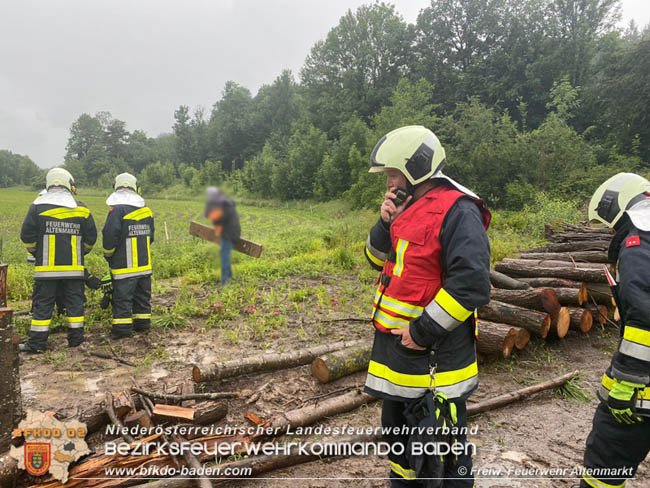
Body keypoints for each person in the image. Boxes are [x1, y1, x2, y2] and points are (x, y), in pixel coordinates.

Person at [363, 126, 491, 487]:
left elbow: (472, 285)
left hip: (436, 365)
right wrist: (385, 222)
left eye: (393, 172)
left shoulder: (459, 210)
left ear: (416, 166)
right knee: (403, 453)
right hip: (399, 362)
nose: (388, 181)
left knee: (441, 460)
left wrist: (423, 331)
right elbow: (377, 261)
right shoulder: (409, 206)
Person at [573, 173, 650, 488]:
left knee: (603, 471)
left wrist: (626, 383)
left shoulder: (639, 242)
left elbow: (644, 318)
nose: (610, 230)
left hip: (641, 393)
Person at [19, 168, 97, 352]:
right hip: (74, 271)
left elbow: (26, 236)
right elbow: (91, 238)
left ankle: (37, 344)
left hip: (46, 271)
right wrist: (80, 253)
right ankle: (76, 342)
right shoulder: (82, 209)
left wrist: (37, 253)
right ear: (69, 184)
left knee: (43, 306)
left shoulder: (37, 207)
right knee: (75, 305)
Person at [102, 173, 154, 339]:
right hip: (144, 266)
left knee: (122, 300)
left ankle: (122, 332)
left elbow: (110, 236)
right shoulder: (146, 211)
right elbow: (150, 237)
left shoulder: (117, 210)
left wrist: (109, 256)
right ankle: (143, 327)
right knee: (142, 299)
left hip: (124, 268)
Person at [205, 186, 240, 285]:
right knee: (225, 255)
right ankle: (229, 277)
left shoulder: (224, 205)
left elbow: (217, 218)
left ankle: (225, 282)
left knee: (224, 256)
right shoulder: (226, 203)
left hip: (229, 234)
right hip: (231, 233)